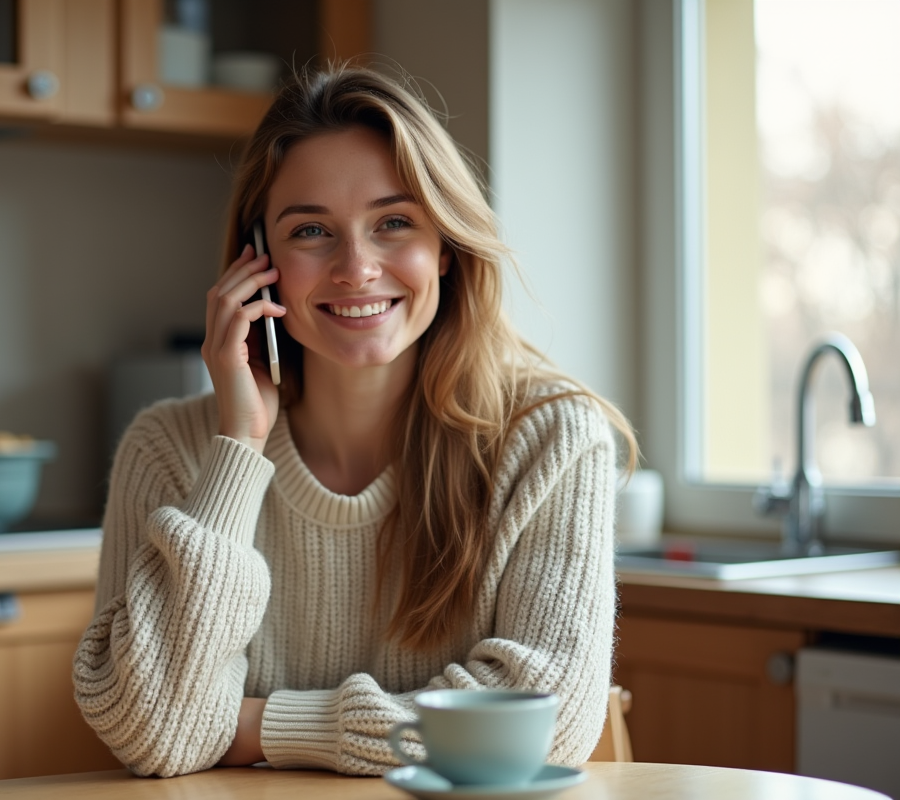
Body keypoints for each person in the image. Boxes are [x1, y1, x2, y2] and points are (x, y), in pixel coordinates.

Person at [73, 62, 636, 778]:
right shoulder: (170, 449)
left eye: (394, 223)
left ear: (447, 248)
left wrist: (261, 725)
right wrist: (240, 446)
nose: (357, 268)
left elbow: (540, 728)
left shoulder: (551, 438)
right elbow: (149, 732)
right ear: (258, 262)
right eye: (312, 230)